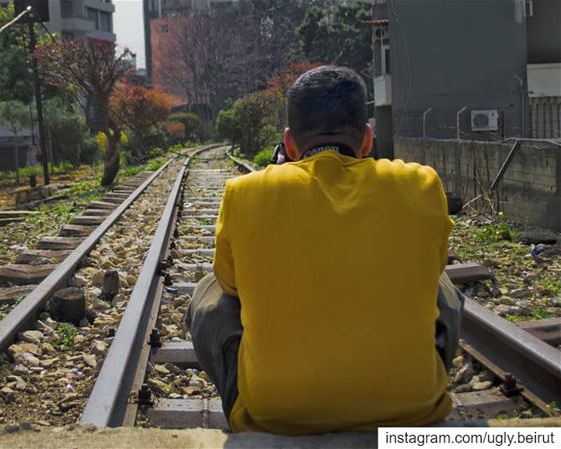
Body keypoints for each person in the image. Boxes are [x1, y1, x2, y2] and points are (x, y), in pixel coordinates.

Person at [185, 65, 464, 435]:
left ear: (288, 143)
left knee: (208, 294)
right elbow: (433, 264)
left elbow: (230, 284)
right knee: (442, 286)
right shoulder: (422, 184)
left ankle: (261, 400)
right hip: (414, 411)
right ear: (367, 139)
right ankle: (416, 382)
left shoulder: (243, 193)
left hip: (275, 415)